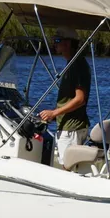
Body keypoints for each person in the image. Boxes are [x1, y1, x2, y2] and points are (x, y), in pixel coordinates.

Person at [39, 26, 91, 167]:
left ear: (67, 43)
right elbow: (70, 99)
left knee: (67, 167)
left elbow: (80, 99)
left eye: (57, 40)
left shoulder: (77, 65)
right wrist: (54, 115)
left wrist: (54, 112)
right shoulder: (73, 63)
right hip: (70, 126)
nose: (54, 44)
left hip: (71, 129)